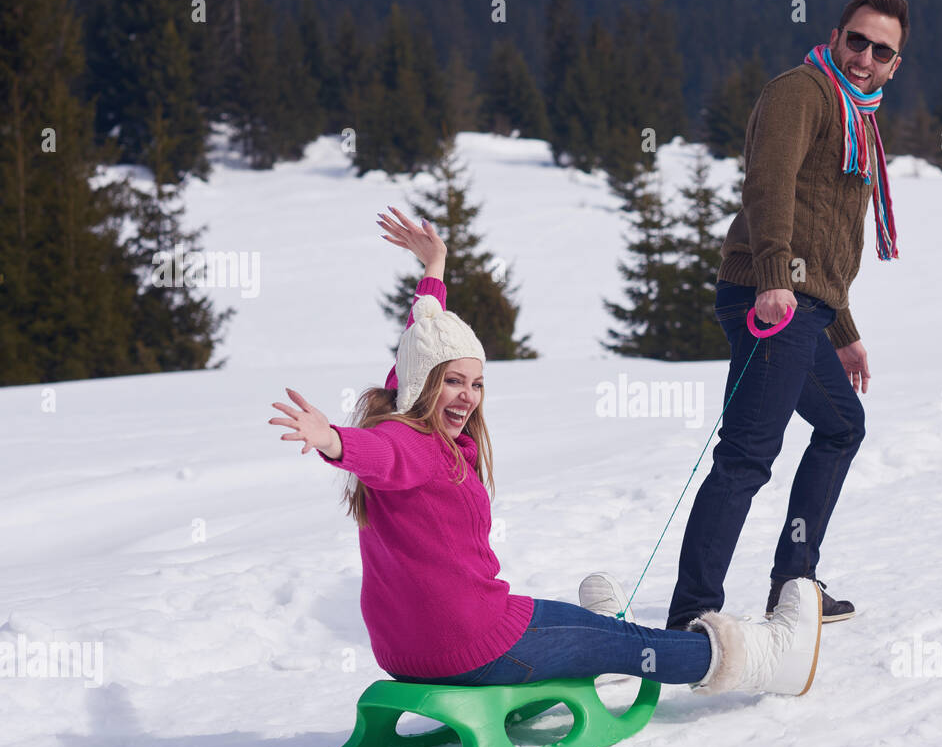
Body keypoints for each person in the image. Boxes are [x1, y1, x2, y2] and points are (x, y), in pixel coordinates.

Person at [268, 207, 822, 696]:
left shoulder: (405, 407)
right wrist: (333, 440)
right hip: (475, 644)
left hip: (404, 652)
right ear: (423, 384)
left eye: (477, 383)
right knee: (633, 644)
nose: (468, 397)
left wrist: (433, 269)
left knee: (592, 630)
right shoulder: (411, 444)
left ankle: (596, 648)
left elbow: (424, 334)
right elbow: (377, 452)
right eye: (454, 382)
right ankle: (769, 659)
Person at [666, 0, 909, 631]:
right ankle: (693, 613)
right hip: (769, 296)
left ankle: (794, 584)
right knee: (747, 454)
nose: (864, 57)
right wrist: (775, 279)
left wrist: (844, 330)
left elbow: (828, 234)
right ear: (836, 35)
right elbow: (769, 187)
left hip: (805, 306)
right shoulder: (802, 91)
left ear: (894, 65)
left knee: (840, 426)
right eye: (857, 40)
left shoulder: (857, 116)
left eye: (881, 50)